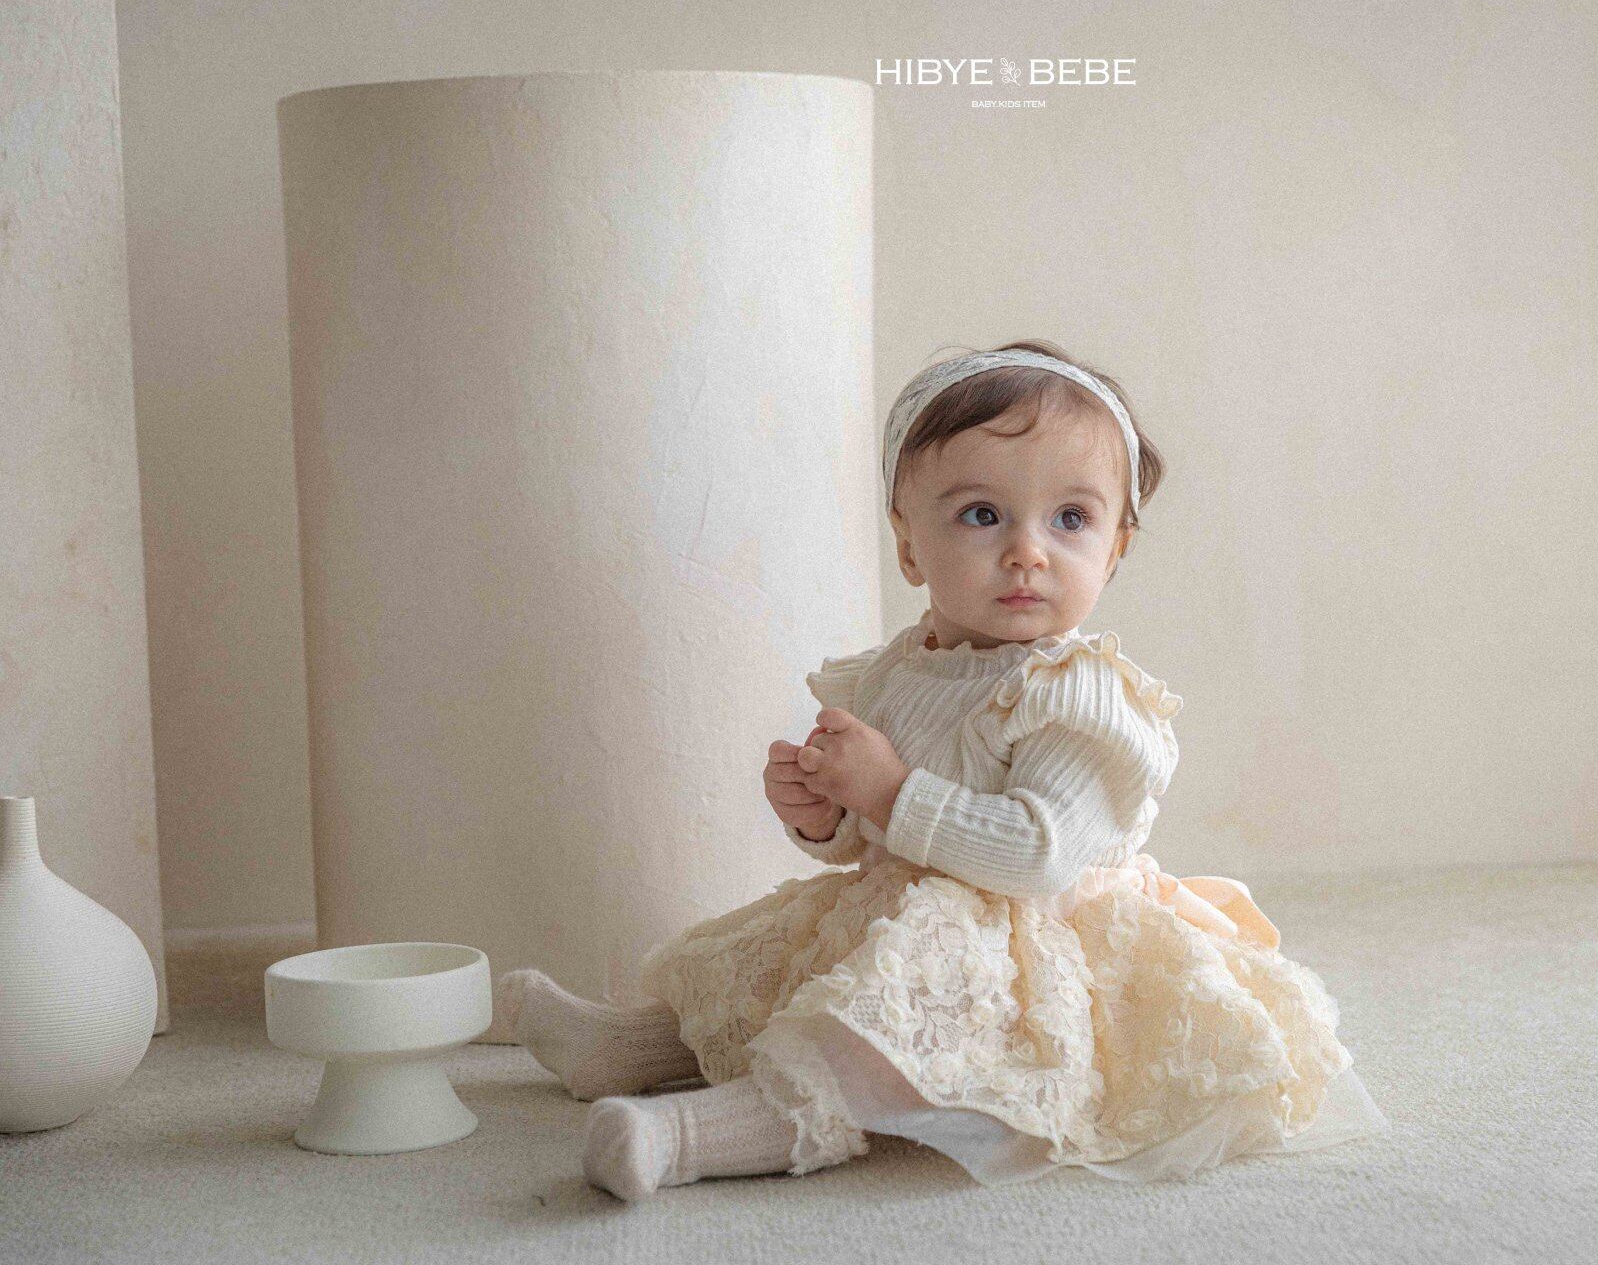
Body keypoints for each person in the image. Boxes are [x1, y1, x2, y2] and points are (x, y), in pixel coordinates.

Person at [496, 339, 1390, 1198]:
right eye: (982, 515)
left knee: (880, 1022)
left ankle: (704, 1135)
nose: (1028, 550)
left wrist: (888, 788)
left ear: (1114, 549)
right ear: (910, 544)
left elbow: (1038, 855)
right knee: (763, 965)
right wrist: (824, 813)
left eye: (1071, 519)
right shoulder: (898, 670)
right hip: (903, 902)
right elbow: (868, 841)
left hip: (1028, 942)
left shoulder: (1079, 693)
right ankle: (627, 1047)